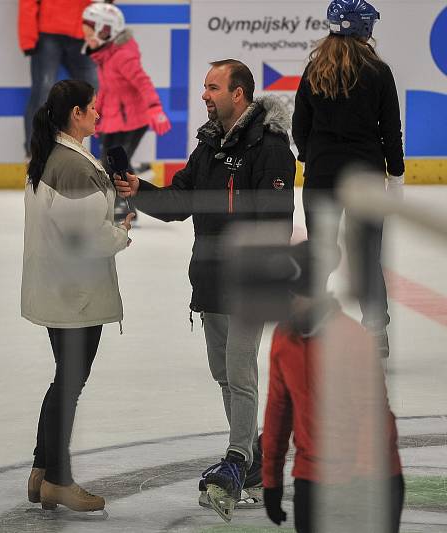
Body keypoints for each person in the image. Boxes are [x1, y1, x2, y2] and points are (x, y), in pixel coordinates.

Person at [115, 60, 295, 519]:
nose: (204, 95)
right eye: (203, 87)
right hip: (210, 278)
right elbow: (181, 201)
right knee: (223, 372)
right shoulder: (209, 144)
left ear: (239, 94)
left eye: (212, 88)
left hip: (248, 282)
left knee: (239, 371)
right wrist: (139, 190)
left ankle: (237, 459)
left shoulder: (270, 148)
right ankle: (252, 458)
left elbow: (275, 225)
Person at [21, 79, 133, 513]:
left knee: (65, 380)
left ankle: (42, 470)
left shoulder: (58, 157)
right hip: (75, 294)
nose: (98, 115)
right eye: (92, 108)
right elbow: (84, 236)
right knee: (69, 383)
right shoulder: (71, 165)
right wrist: (121, 232)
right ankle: (57, 480)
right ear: (76, 115)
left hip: (63, 289)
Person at [262, 241, 404, 532]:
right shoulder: (283, 341)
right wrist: (272, 481)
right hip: (312, 474)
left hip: (371, 479)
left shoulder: (353, 339)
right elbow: (278, 410)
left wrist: (361, 484)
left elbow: (373, 415)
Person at [292, 0, 403, 359]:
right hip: (365, 176)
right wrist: (396, 175)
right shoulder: (378, 72)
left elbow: (299, 126)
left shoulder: (313, 71)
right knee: (368, 256)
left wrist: (313, 156)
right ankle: (376, 329)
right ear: (365, 28)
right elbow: (390, 130)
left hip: (322, 175)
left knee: (320, 252)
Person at [81, 2, 171, 220]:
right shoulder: (105, 55)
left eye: (90, 33)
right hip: (116, 119)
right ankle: (123, 200)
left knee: (116, 164)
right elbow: (108, 91)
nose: (86, 38)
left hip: (133, 120)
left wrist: (155, 108)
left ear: (105, 31)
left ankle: (124, 204)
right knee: (108, 162)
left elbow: (143, 83)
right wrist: (97, 115)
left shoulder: (122, 56)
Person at [19, 0, 100, 156]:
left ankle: (102, 156)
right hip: (49, 33)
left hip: (82, 32)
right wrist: (27, 38)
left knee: (94, 95)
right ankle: (35, 154)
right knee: (43, 92)